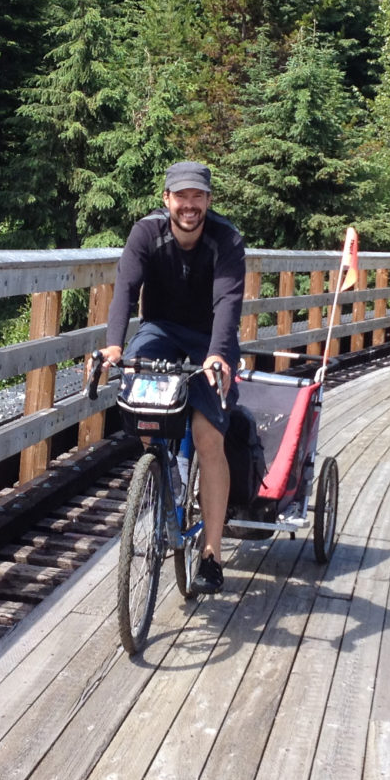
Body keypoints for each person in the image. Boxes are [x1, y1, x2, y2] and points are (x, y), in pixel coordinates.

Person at [96, 160, 246, 593]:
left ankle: (212, 555)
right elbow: (124, 288)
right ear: (167, 200)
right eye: (181, 196)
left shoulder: (227, 240)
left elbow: (227, 304)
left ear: (208, 201)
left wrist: (218, 355)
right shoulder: (146, 233)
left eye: (198, 196)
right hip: (158, 330)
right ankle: (164, 472)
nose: (189, 205)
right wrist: (113, 346)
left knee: (208, 436)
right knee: (139, 406)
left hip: (208, 339)